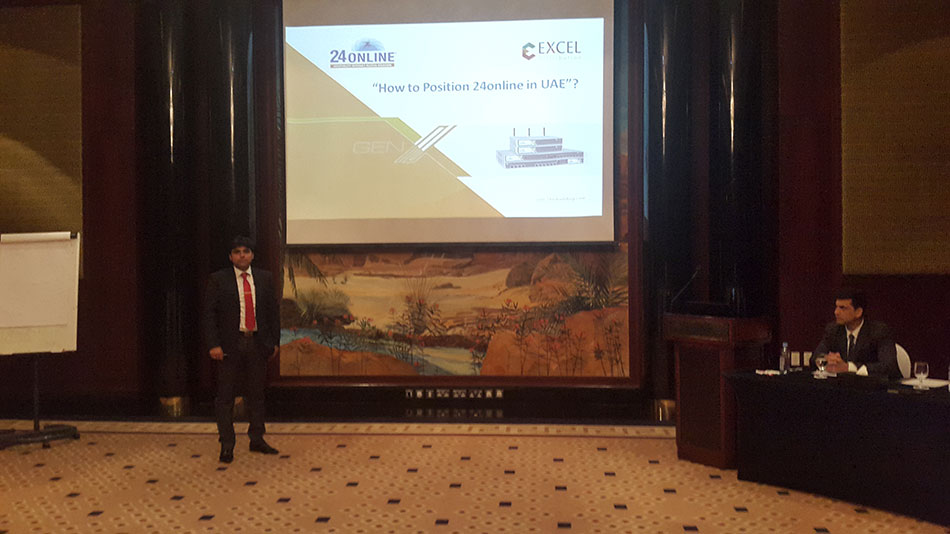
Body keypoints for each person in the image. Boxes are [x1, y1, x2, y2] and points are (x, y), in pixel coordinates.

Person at [204, 236, 280, 463]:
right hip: (230, 345)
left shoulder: (265, 278)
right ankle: (227, 444)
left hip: (257, 343)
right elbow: (209, 315)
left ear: (252, 255)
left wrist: (274, 342)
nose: (242, 255)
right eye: (237, 252)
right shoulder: (218, 279)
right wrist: (213, 344)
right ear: (230, 257)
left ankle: (257, 438)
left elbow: (273, 313)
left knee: (256, 395)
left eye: (246, 251)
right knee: (226, 397)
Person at [813, 288, 899, 379]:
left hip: (874, 385)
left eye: (842, 308)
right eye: (836, 307)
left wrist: (849, 367)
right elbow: (815, 358)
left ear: (858, 312)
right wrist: (827, 359)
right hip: (843, 385)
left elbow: (889, 366)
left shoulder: (879, 331)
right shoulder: (833, 330)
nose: (836, 312)